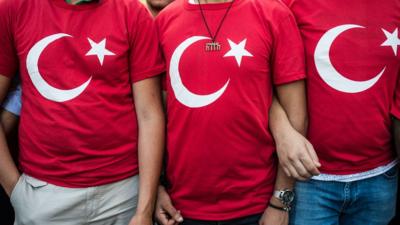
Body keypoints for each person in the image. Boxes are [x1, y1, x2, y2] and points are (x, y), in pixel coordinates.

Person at [0, 0, 165, 224]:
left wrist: (144, 210)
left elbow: (150, 115)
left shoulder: (132, 12)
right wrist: (16, 191)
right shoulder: (14, 8)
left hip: (123, 194)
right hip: (43, 194)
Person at [154, 0, 309, 224]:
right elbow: (156, 116)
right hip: (180, 208)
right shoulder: (166, 20)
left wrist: (280, 200)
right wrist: (156, 188)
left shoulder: (274, 14)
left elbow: (297, 116)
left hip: (257, 205)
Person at [271, 0, 400, 224]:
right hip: (308, 180)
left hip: (380, 179)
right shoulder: (287, 5)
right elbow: (257, 78)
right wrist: (282, 130)